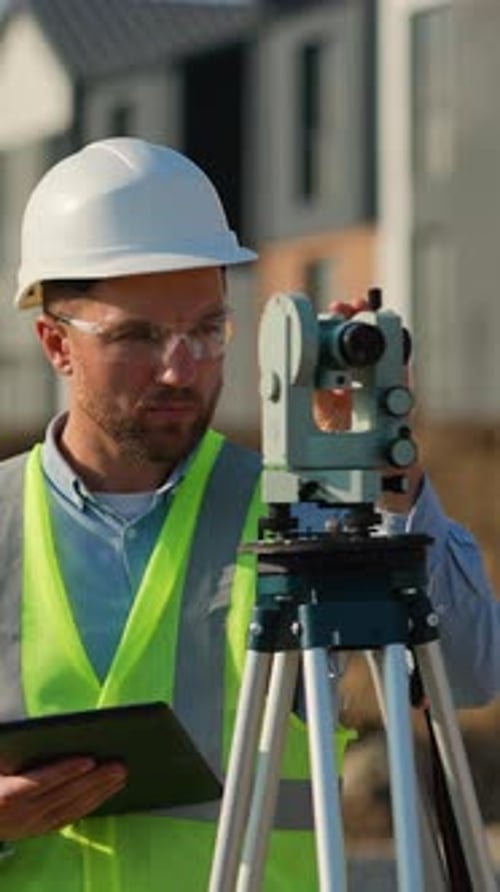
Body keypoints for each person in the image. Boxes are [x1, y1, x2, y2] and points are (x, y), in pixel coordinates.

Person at [0, 136, 498, 890]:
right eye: (139, 336)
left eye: (207, 329)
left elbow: (469, 671)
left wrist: (383, 465)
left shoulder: (299, 510)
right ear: (55, 344)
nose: (182, 367)